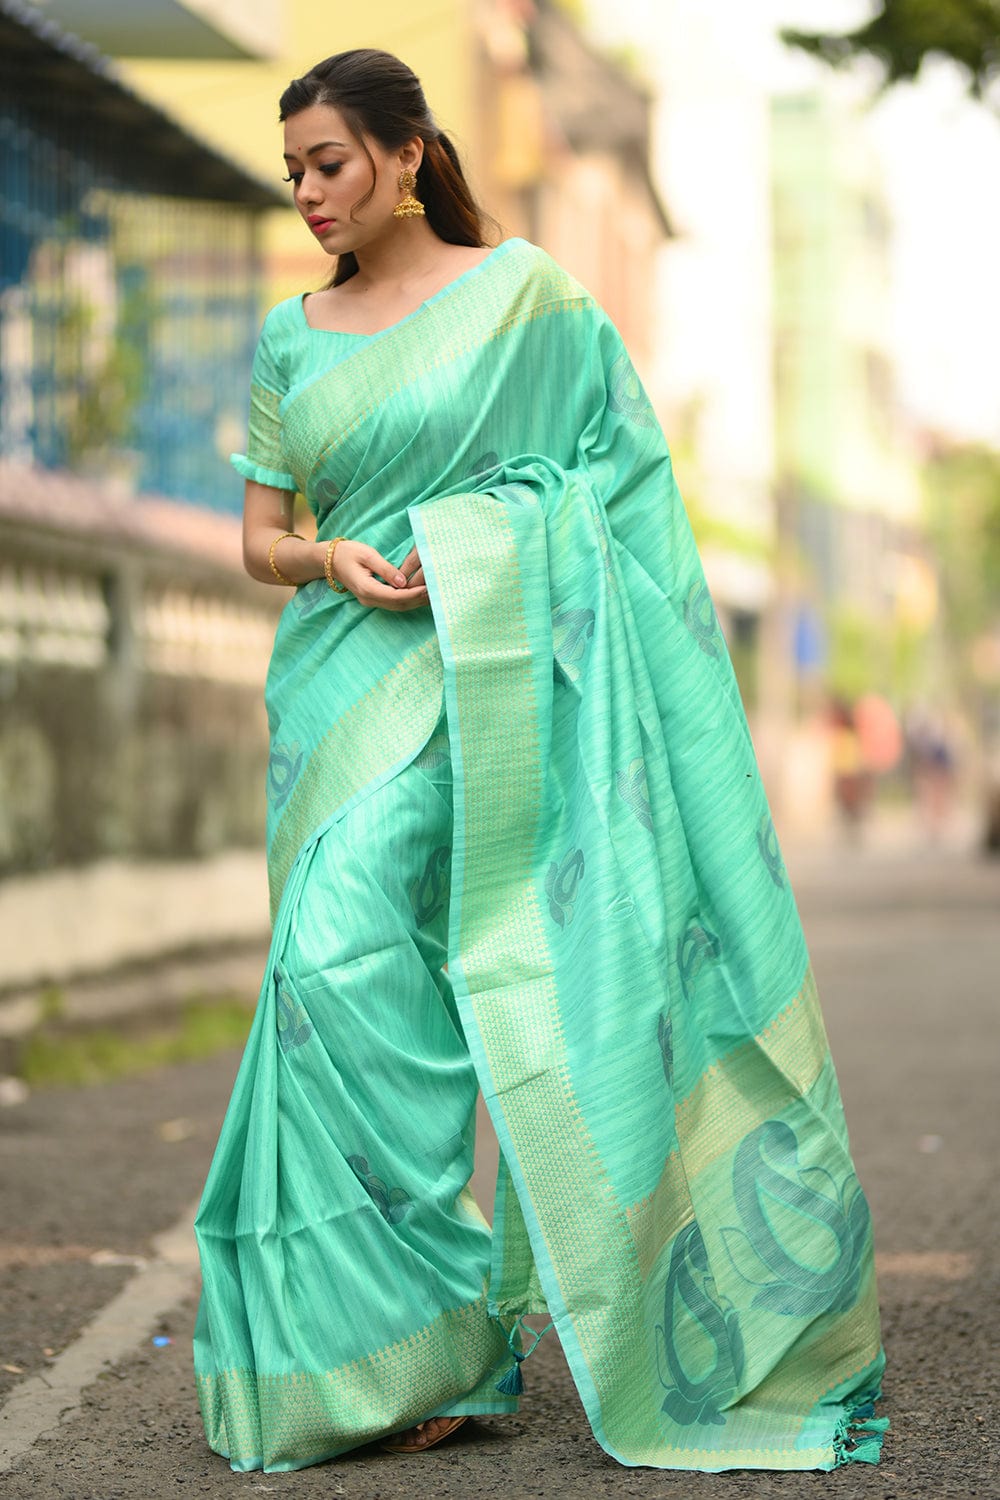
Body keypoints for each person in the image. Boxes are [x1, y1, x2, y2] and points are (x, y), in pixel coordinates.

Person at [193, 48, 887, 1475]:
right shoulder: (289, 335)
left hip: (501, 682)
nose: (311, 194)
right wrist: (327, 555)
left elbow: (614, 485)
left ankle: (463, 1341)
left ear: (404, 154)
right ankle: (384, 1353)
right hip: (340, 700)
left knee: (459, 995)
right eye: (294, 175)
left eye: (329, 164)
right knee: (334, 987)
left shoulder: (531, 302)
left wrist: (478, 550)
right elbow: (261, 538)